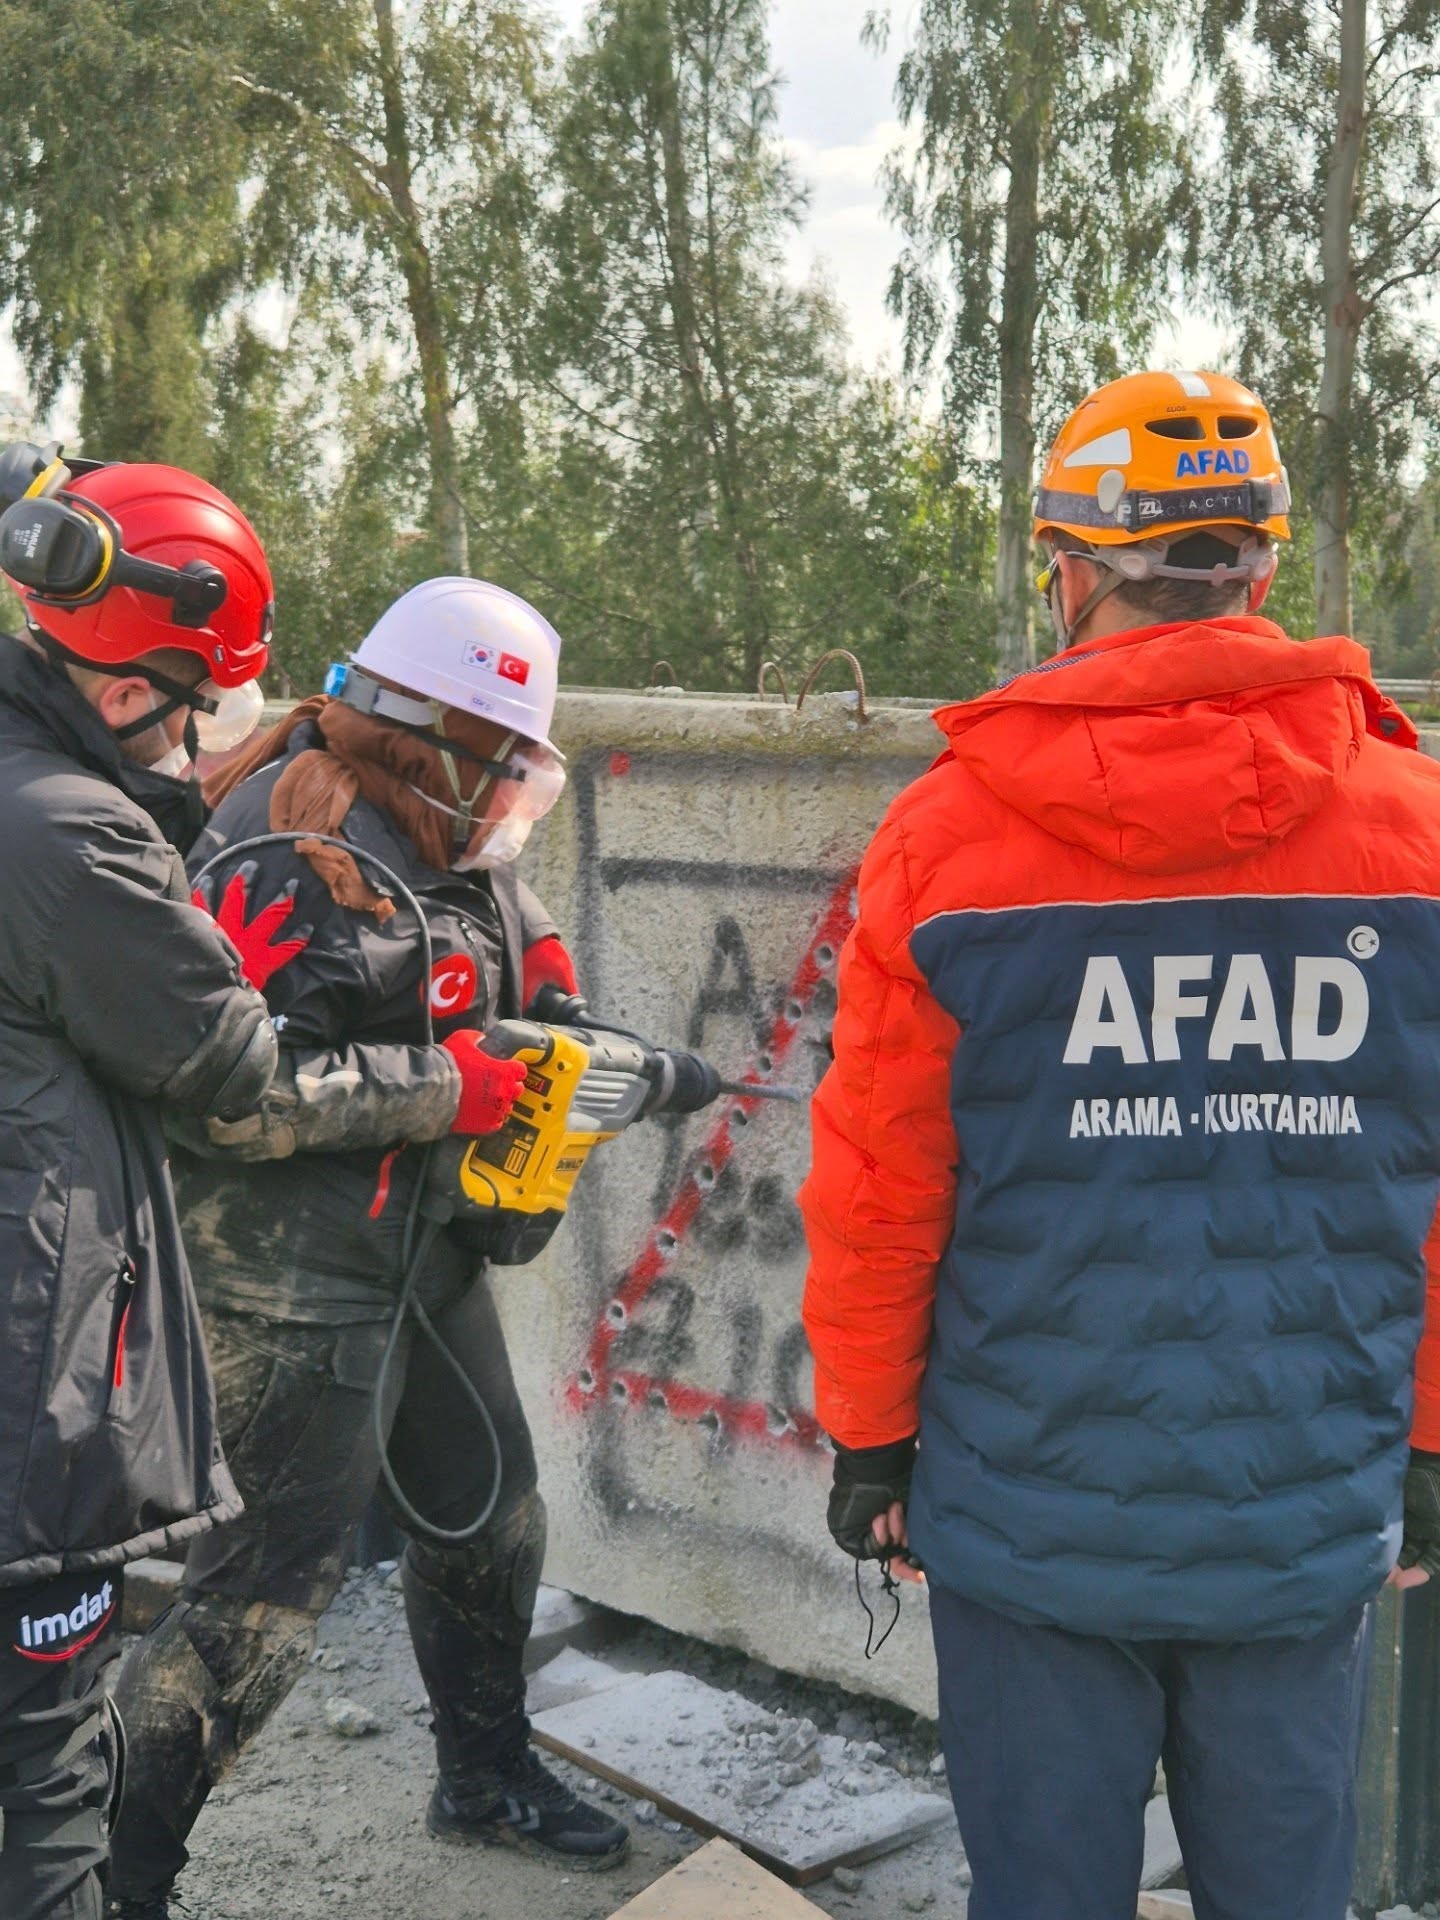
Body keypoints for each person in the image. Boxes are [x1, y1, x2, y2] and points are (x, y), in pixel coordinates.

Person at [800, 370, 1440, 1920]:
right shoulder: (1417, 827)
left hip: (1026, 1519)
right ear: (1261, 568)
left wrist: (874, 1436)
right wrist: (1427, 1447)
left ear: (1070, 566)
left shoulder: (947, 840)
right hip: (1301, 1516)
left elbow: (883, 1185)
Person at [105, 575, 629, 1920]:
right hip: (291, 1282)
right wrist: (458, 1088)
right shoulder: (275, 857)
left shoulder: (435, 829)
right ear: (428, 737)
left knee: (491, 1523)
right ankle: (111, 1881)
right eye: (501, 765)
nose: (512, 798)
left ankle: (485, 1774)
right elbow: (228, 1105)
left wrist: (555, 1010)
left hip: (420, 1254)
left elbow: (479, 954)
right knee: (256, 1618)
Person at [0, 443, 281, 1920]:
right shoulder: (69, 830)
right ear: (127, 691)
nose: (196, 741)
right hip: (27, 1404)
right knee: (48, 1765)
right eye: (192, 710)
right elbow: (227, 1063)